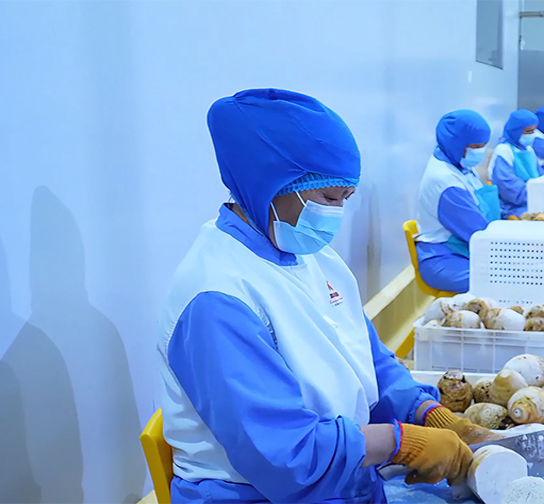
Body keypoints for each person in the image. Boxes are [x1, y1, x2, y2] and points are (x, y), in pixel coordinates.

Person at [157, 89, 498, 504]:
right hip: (259, 494)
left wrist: (425, 412)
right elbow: (284, 455)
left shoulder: (312, 255)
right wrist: (398, 443)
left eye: (345, 199)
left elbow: (366, 357)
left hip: (342, 475)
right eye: (328, 198)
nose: (336, 213)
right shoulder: (217, 299)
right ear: (267, 185)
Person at [414, 110, 496, 293]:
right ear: (456, 144)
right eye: (475, 146)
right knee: (501, 280)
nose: (480, 152)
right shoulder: (446, 181)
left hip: (464, 247)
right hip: (444, 258)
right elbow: (476, 230)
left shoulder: (461, 165)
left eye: (483, 146)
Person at [488, 109, 541, 218]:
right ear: (516, 131)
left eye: (533, 131)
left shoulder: (529, 149)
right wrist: (535, 195)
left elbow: (540, 176)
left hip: (532, 200)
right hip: (512, 209)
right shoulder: (503, 150)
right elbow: (507, 186)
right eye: (528, 131)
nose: (532, 135)